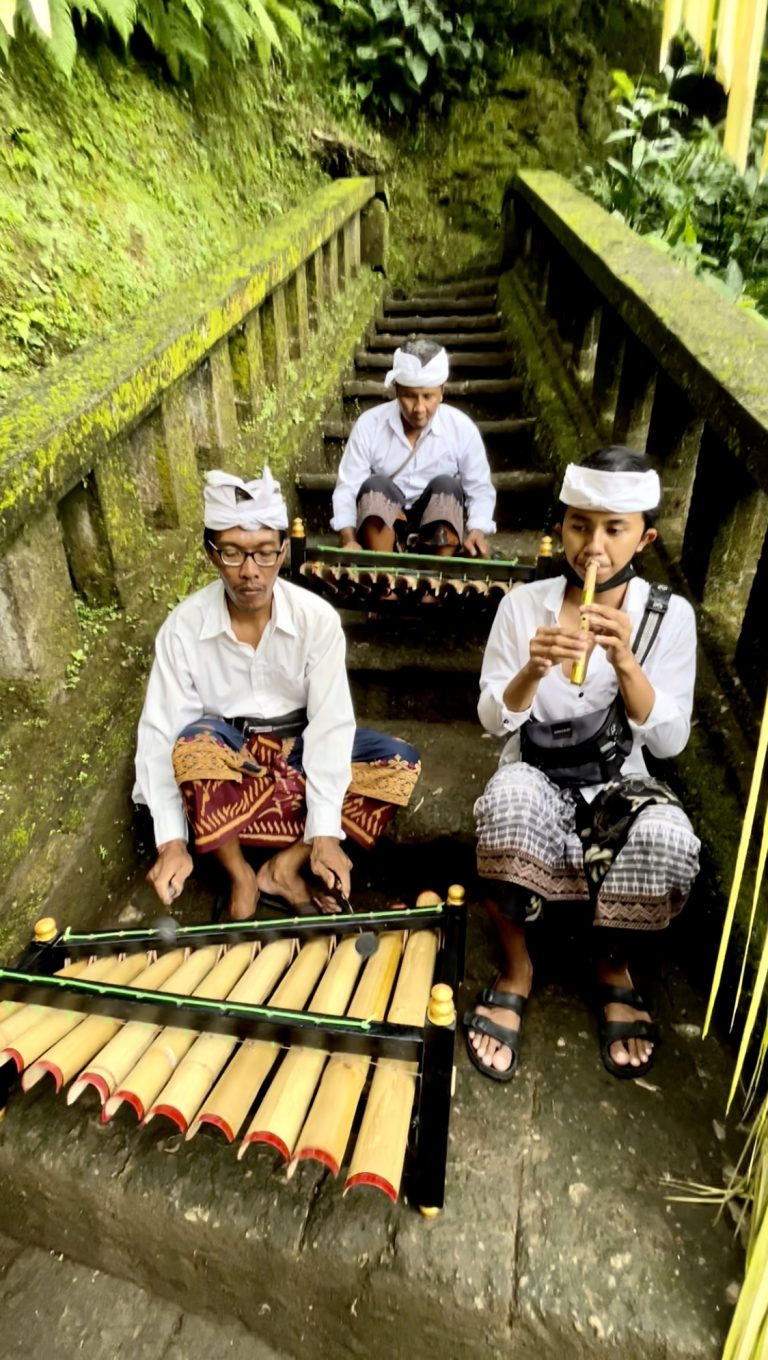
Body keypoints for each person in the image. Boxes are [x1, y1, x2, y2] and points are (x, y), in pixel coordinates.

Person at [464, 447, 700, 1082]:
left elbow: (670, 742)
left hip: (619, 782)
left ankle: (611, 963)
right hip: (536, 771)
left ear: (644, 538)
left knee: (669, 836)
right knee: (508, 801)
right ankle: (517, 967)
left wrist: (626, 663)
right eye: (579, 525)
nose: (593, 546)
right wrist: (532, 669)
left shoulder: (667, 616)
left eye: (614, 529)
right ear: (561, 527)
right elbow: (492, 720)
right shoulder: (523, 606)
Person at [134, 467, 421, 921]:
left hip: (297, 758)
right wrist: (171, 843)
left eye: (265, 553)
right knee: (193, 744)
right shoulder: (183, 628)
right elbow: (159, 734)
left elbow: (330, 726)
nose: (250, 571)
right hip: (232, 770)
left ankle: (283, 868)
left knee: (398, 762)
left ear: (283, 551)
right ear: (211, 554)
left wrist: (324, 833)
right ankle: (240, 875)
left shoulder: (316, 620)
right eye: (233, 553)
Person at [331, 337, 496, 558]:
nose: (419, 408)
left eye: (428, 397)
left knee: (447, 487)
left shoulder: (461, 428)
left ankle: (437, 570)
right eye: (409, 396)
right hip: (386, 529)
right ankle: (382, 567)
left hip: (434, 530)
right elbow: (348, 487)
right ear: (396, 390)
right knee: (375, 486)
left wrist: (476, 531)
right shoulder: (370, 425)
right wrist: (349, 539)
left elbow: (480, 489)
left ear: (442, 391)